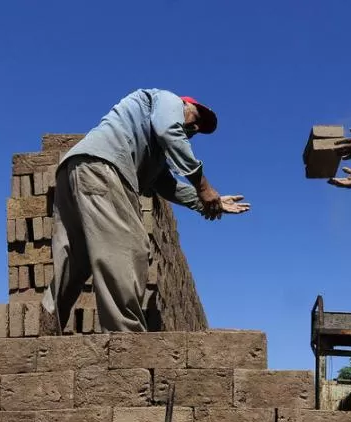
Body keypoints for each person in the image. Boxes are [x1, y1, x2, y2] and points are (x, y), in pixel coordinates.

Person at [40, 89, 250, 333]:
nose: (196, 127)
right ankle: (125, 341)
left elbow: (166, 185)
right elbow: (169, 131)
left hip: (73, 169)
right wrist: (203, 186)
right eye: (197, 116)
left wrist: (205, 202)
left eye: (200, 129)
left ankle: (44, 327)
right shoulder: (165, 99)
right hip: (105, 167)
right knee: (132, 247)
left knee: (76, 260)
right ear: (185, 104)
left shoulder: (153, 151)